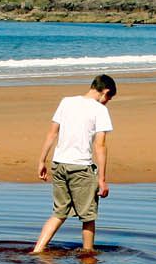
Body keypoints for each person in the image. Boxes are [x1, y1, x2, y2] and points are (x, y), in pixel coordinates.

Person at [31, 74, 117, 254]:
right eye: (109, 98)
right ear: (105, 92)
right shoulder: (100, 110)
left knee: (59, 213)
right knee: (88, 216)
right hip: (81, 168)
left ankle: (37, 251)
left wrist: (41, 161)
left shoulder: (66, 102)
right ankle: (88, 256)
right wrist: (102, 179)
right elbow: (99, 145)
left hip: (59, 164)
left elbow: (52, 134)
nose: (107, 102)